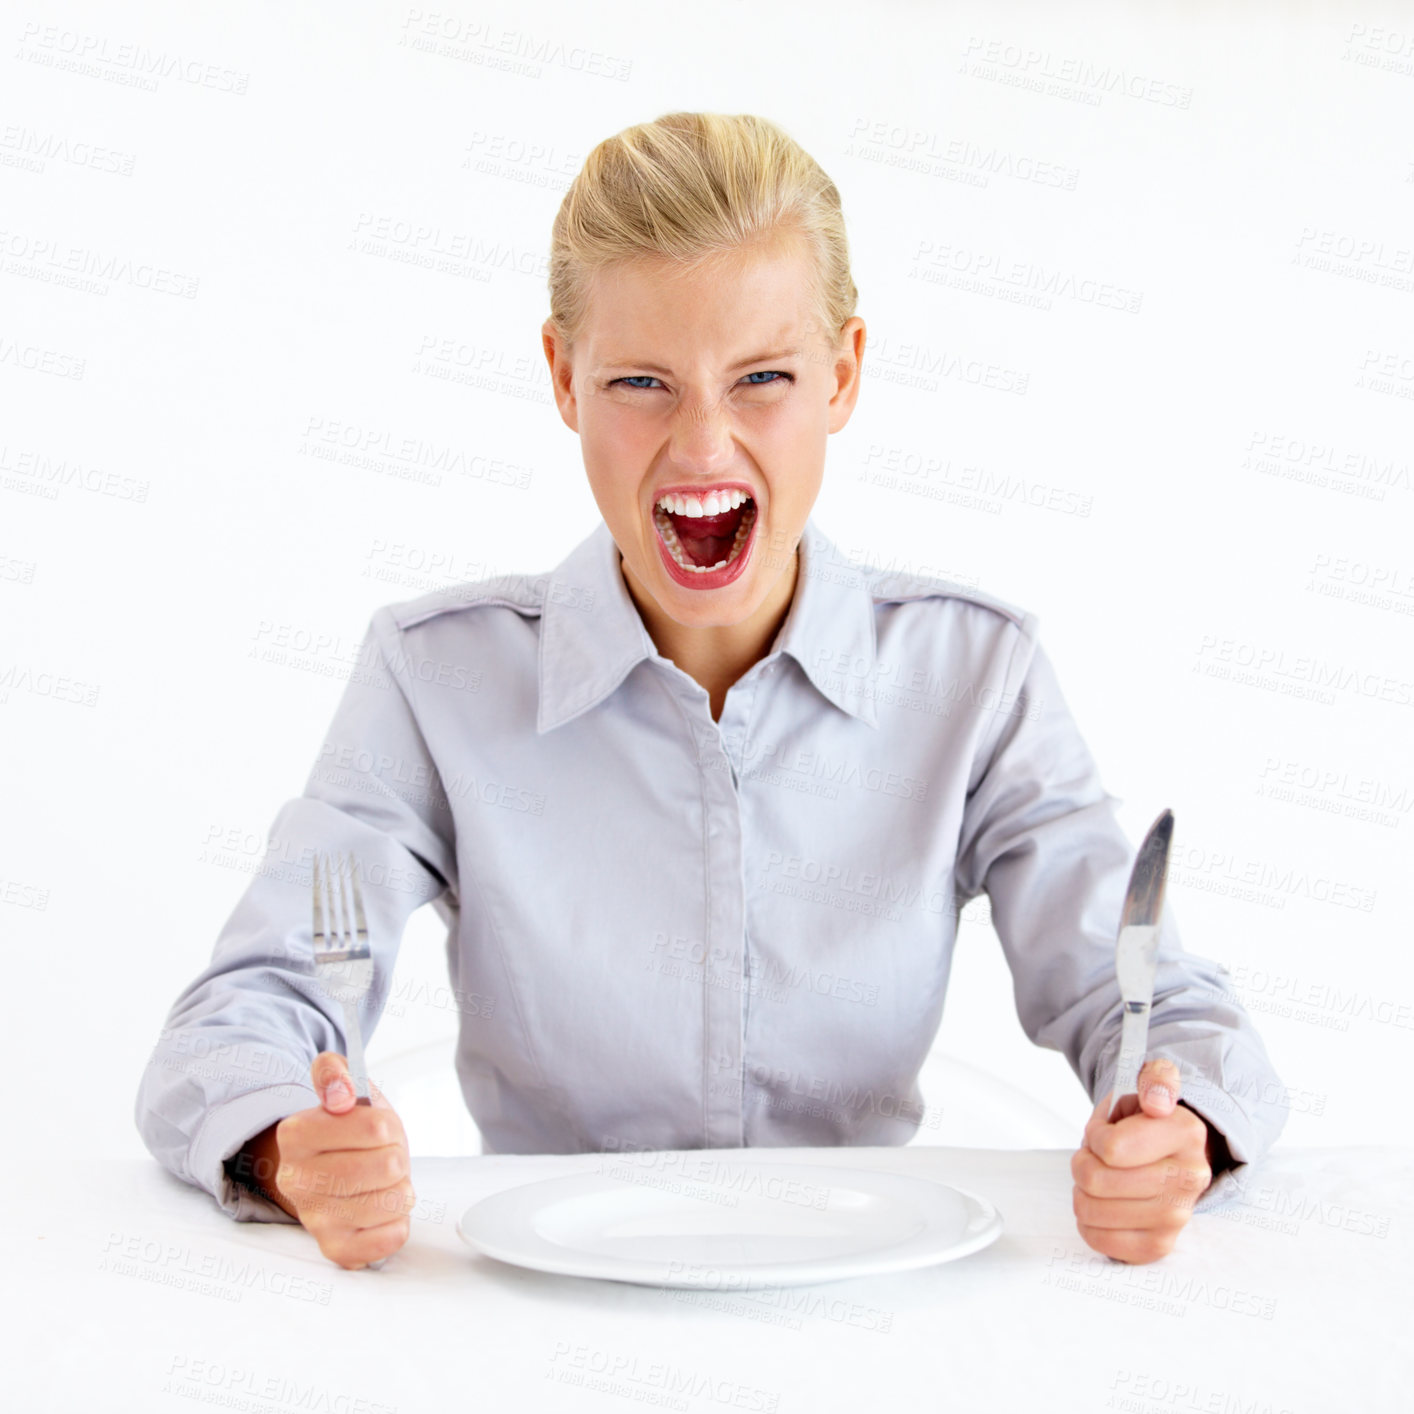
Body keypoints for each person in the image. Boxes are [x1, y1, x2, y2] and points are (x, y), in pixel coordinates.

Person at [135, 111, 1286, 1272]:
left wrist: (1173, 1130)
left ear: (841, 375)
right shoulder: (435, 677)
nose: (701, 446)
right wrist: (290, 1142)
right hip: (535, 1313)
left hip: (875, 1297)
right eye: (640, 380)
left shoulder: (973, 677)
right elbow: (242, 1017)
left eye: (763, 379)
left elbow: (1156, 1005)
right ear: (561, 378)